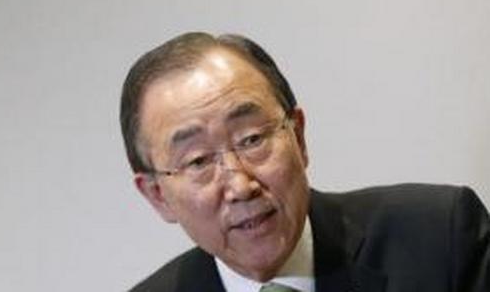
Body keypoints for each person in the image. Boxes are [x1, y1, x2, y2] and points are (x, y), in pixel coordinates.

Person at [120, 31, 490, 292]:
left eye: (252, 139)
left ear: (297, 136)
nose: (240, 185)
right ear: (157, 195)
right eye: (199, 161)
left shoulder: (440, 238)